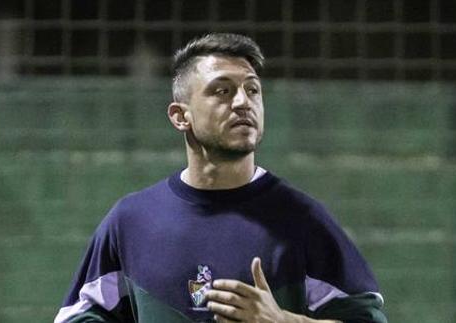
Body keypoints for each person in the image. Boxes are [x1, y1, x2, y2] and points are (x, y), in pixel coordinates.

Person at [54, 33, 387, 323]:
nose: (243, 102)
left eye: (252, 90)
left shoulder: (303, 220)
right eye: (222, 91)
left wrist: (282, 321)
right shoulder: (130, 222)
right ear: (180, 116)